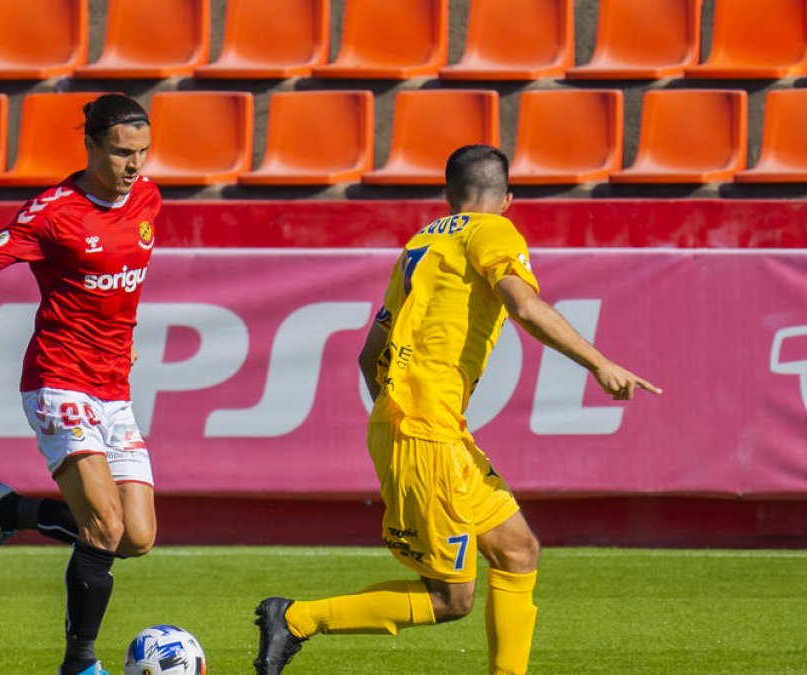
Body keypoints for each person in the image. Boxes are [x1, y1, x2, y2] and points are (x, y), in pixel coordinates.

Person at [253, 145, 661, 675]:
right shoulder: (495, 232)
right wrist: (599, 363)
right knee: (451, 599)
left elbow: (367, 356)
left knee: (517, 551)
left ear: (448, 197)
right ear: (508, 199)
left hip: (426, 428)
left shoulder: (419, 245)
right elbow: (524, 305)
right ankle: (299, 618)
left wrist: (399, 423)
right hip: (426, 431)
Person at [0, 93, 160, 675]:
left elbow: (120, 284)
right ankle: (80, 664)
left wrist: (123, 335)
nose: (134, 166)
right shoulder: (52, 213)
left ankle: (8, 511)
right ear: (90, 146)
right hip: (58, 380)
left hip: (114, 387)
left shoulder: (147, 197)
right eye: (120, 153)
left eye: (142, 152)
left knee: (135, 537)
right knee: (104, 525)